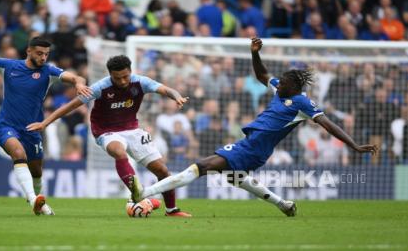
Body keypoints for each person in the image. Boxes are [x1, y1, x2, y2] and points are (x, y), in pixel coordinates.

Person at [131, 38, 378, 217]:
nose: (277, 83)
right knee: (235, 178)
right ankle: (284, 205)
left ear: (294, 86)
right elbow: (262, 75)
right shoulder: (281, 91)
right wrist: (254, 53)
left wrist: (354, 145)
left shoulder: (302, 102)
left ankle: (143, 193)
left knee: (201, 166)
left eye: (283, 82)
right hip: (251, 146)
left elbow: (328, 124)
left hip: (253, 148)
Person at [27, 55, 191, 217]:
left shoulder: (140, 82)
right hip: (106, 131)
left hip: (132, 129)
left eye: (125, 76)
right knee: (119, 151)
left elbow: (166, 89)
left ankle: (172, 210)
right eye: (117, 78)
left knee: (162, 170)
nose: (122, 81)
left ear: (130, 71)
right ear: (110, 75)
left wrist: (176, 96)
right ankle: (137, 193)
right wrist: (45, 123)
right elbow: (70, 106)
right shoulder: (100, 87)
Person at [0, 37, 92, 216]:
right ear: (29, 51)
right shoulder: (8, 65)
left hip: (32, 129)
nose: (43, 58)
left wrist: (79, 83)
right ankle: (34, 199)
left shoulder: (48, 71)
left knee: (37, 170)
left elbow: (75, 77)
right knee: (18, 154)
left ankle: (36, 198)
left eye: (46, 54)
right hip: (6, 126)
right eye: (40, 53)